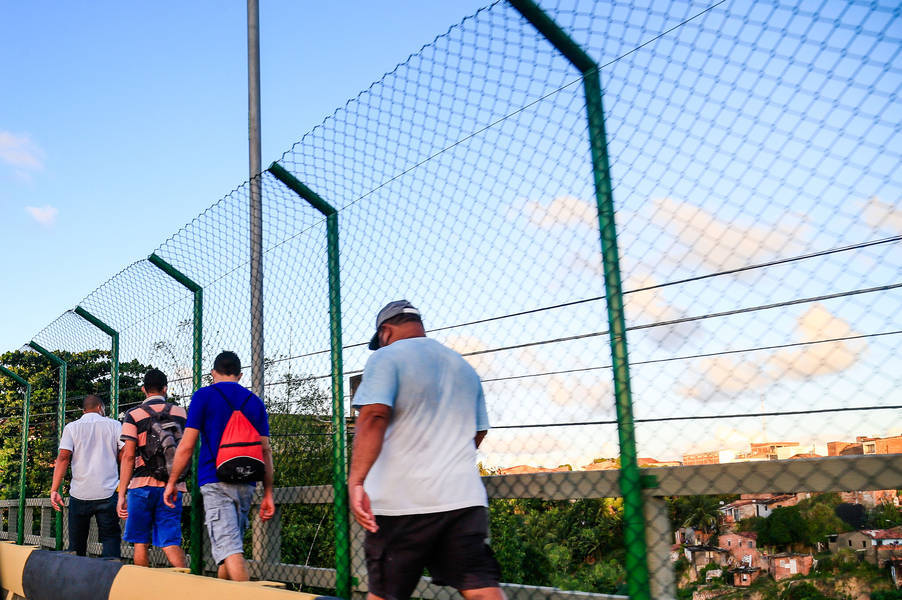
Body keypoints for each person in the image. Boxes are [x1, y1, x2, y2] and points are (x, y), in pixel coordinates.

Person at [350, 300, 505, 600]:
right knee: (483, 591)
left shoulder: (386, 357)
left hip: (402, 504)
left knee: (385, 595)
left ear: (385, 331)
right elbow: (479, 430)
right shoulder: (463, 366)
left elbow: (374, 416)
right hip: (463, 500)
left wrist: (356, 482)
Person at [164, 350, 275, 581]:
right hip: (247, 480)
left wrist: (172, 481)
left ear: (213, 373)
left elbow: (187, 445)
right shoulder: (255, 402)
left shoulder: (204, 396)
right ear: (240, 375)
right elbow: (265, 450)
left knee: (231, 551)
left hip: (214, 480)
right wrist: (268, 493)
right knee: (228, 549)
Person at [117, 369, 187, 568]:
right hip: (173, 486)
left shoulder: (133, 415)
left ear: (143, 390)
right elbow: (186, 448)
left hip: (141, 486)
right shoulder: (180, 412)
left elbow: (129, 456)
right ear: (165, 388)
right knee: (170, 541)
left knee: (140, 542)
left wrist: (122, 494)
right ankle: (186, 587)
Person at [49, 394, 122, 559]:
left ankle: (76, 578)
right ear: (100, 408)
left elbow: (63, 458)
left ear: (84, 410)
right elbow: (125, 455)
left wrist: (54, 489)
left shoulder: (71, 428)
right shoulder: (115, 425)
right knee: (110, 539)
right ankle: (110, 576)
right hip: (108, 492)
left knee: (76, 545)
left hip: (79, 493)